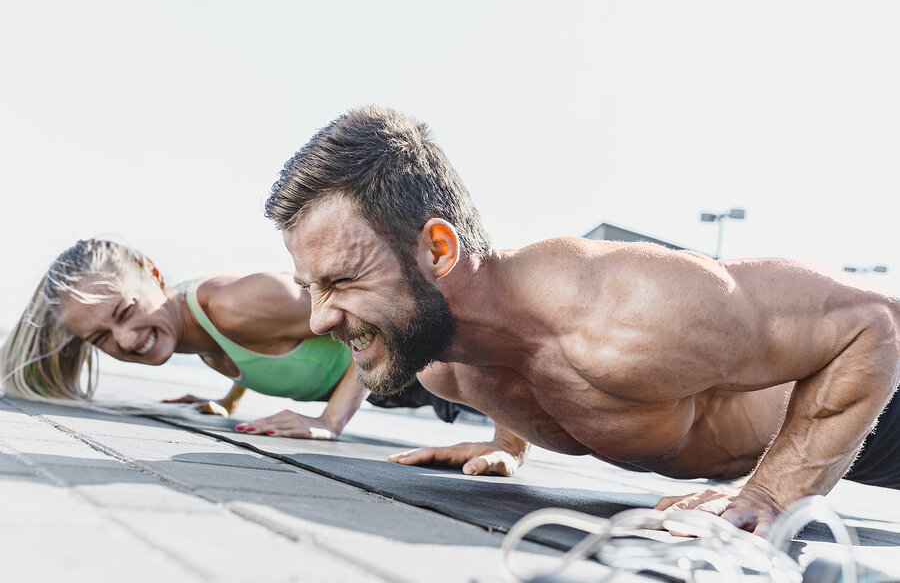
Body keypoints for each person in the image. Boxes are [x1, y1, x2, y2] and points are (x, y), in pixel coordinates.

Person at [262, 105, 900, 535]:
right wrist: (505, 440)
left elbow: (873, 323)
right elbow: (520, 357)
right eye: (310, 287)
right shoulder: (443, 370)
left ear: (438, 250)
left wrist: (771, 495)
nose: (319, 319)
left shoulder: (627, 313)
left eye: (343, 280)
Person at [0, 239, 476, 440]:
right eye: (101, 336)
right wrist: (228, 400)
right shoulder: (187, 326)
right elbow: (250, 345)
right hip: (395, 390)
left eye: (124, 312)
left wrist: (329, 422)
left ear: (153, 273)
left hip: (443, 367)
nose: (124, 338)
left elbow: (373, 313)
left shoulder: (233, 303)